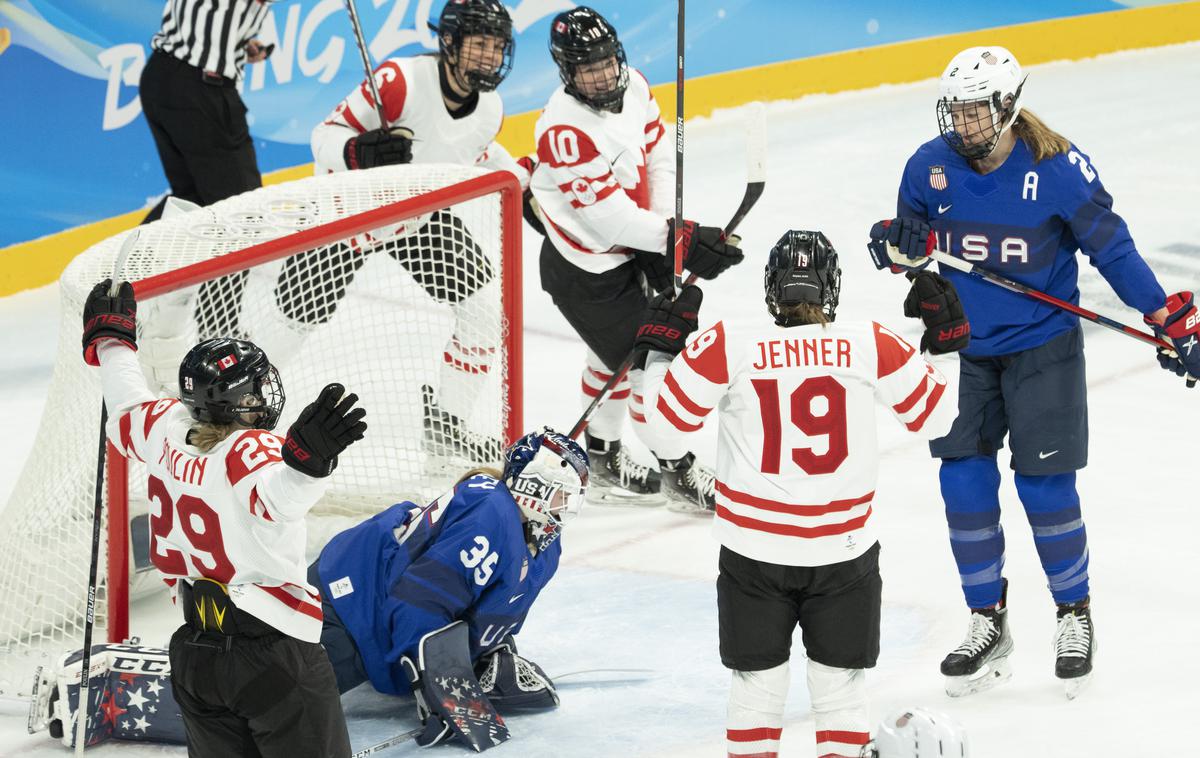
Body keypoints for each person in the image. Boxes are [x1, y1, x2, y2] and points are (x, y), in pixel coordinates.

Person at [868, 45, 1200, 699]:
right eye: (955, 111)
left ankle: (1074, 614)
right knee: (963, 484)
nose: (961, 125)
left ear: (1007, 106)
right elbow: (909, 247)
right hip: (961, 348)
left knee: (1045, 488)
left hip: (1042, 348)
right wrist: (895, 245)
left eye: (974, 112)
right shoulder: (927, 167)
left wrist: (1165, 315)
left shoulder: (1057, 169)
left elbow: (1114, 248)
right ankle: (987, 621)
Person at [635, 230, 968, 758]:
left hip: (755, 554)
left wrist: (656, 351)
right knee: (839, 698)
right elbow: (938, 416)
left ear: (772, 289)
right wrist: (945, 344)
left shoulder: (728, 343)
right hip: (844, 554)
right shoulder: (869, 342)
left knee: (756, 697)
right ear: (831, 286)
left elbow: (661, 430)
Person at [80, 278, 368, 756]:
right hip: (272, 655)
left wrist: (112, 342)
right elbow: (275, 501)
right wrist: (306, 465)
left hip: (195, 655)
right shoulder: (249, 449)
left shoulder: (163, 427)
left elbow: (125, 403)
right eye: (254, 392)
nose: (263, 398)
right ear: (240, 403)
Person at [268, 0, 525, 464]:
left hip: (418, 217)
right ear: (449, 42)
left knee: (486, 314)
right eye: (480, 43)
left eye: (497, 46)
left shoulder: (492, 108)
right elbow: (323, 135)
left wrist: (523, 183)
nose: (490, 56)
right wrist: (355, 153)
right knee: (290, 326)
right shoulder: (400, 81)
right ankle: (239, 412)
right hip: (349, 216)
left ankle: (446, 426)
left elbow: (469, 149)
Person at [528, 6, 745, 510]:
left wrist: (667, 230)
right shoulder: (564, 130)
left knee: (610, 360)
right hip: (586, 269)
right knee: (653, 361)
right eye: (588, 68)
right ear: (567, 72)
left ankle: (600, 460)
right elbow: (607, 220)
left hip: (630, 247)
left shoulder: (637, 88)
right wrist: (676, 239)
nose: (603, 75)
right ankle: (677, 470)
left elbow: (660, 157)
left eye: (607, 61)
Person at [308, 428, 587, 747]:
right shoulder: (489, 516)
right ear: (533, 484)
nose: (567, 504)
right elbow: (418, 604)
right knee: (271, 705)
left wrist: (488, 654)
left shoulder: (544, 545)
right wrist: (432, 688)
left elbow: (480, 606)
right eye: (562, 492)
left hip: (376, 610)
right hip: (346, 606)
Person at [138, 0, 274, 338]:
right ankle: (219, 332)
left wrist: (233, 46)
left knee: (192, 198)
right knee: (238, 213)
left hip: (162, 75)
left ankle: (115, 287)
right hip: (201, 91)